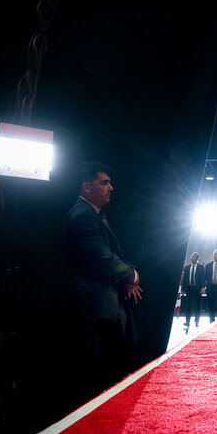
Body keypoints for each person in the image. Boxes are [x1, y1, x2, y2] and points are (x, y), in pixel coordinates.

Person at [64, 161, 143, 398]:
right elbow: (104, 258)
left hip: (105, 301)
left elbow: (112, 255)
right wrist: (132, 275)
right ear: (87, 187)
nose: (111, 188)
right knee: (96, 368)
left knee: (109, 364)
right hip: (95, 304)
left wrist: (127, 275)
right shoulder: (82, 216)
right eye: (104, 183)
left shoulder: (94, 214)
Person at [181, 252, 205, 327]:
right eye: (192, 256)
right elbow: (185, 279)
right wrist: (183, 289)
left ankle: (197, 320)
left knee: (198, 305)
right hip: (189, 288)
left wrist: (203, 287)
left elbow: (203, 278)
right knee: (188, 305)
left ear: (197, 258)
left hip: (198, 289)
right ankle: (187, 321)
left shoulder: (201, 267)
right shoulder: (187, 267)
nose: (192, 258)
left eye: (194, 257)